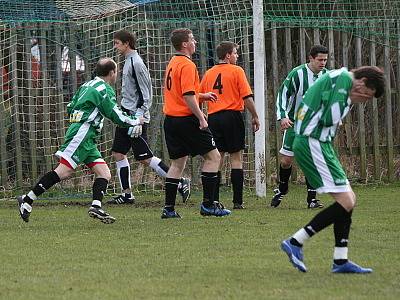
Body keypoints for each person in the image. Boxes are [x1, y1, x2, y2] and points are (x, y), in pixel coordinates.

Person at [281, 66, 385, 273]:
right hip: (313, 142)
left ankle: (340, 260)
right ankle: (296, 241)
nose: (364, 100)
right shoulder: (343, 82)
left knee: (349, 199)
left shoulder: (340, 80)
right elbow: (329, 118)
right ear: (362, 82)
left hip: (320, 143)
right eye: (367, 95)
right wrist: (350, 99)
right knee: (346, 201)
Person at [17, 58, 143, 224]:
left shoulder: (87, 85)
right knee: (64, 171)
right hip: (82, 133)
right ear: (112, 73)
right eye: (116, 71)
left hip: (85, 134)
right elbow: (115, 115)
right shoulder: (103, 89)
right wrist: (135, 120)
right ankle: (27, 199)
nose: (116, 74)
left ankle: (96, 206)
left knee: (104, 173)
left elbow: (70, 106)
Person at [108, 30, 190, 205]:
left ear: (127, 43)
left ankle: (180, 182)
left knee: (145, 158)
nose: (115, 47)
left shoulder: (137, 63)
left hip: (134, 117)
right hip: (125, 114)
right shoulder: (128, 61)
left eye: (117, 43)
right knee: (118, 153)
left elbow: (147, 93)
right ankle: (127, 194)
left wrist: (139, 117)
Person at [161, 28, 231, 219]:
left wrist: (202, 95)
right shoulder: (187, 65)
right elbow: (187, 95)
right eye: (192, 39)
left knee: (177, 164)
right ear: (184, 44)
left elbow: (180, 93)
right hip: (186, 119)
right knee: (213, 157)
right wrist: (201, 117)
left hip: (171, 120)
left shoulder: (173, 63)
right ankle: (208, 205)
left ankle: (168, 209)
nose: (195, 42)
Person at [199, 41, 260, 209]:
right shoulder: (237, 71)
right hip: (232, 116)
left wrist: (200, 114)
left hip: (213, 118)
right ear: (228, 55)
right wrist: (255, 116)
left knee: (216, 158)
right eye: (235, 53)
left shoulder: (209, 73)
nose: (237, 56)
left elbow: (198, 95)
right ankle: (238, 202)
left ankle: (213, 199)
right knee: (236, 159)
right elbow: (247, 97)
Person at [271, 45, 329, 209]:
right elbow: (283, 94)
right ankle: (282, 188)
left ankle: (312, 198)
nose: (323, 63)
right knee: (286, 160)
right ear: (311, 58)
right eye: (320, 59)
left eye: (325, 59)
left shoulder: (327, 76)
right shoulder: (297, 74)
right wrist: (282, 116)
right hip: (294, 123)